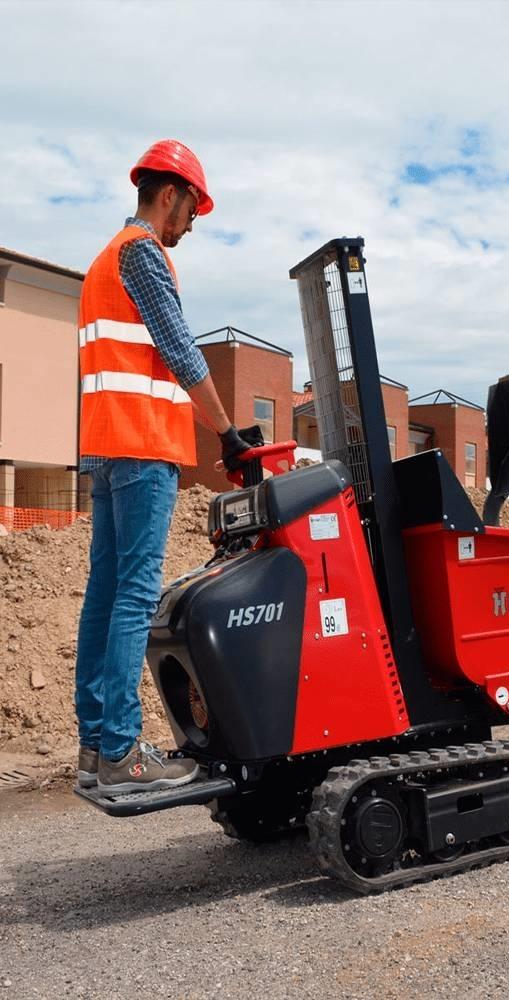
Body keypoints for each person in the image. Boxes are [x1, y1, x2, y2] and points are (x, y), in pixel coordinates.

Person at [75, 139, 252, 794]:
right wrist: (230, 433)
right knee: (132, 595)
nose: (188, 228)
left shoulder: (101, 262)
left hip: (106, 447)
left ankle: (96, 748)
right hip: (144, 447)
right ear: (170, 195)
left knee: (104, 591)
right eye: (191, 213)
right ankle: (122, 749)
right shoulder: (142, 254)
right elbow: (181, 352)